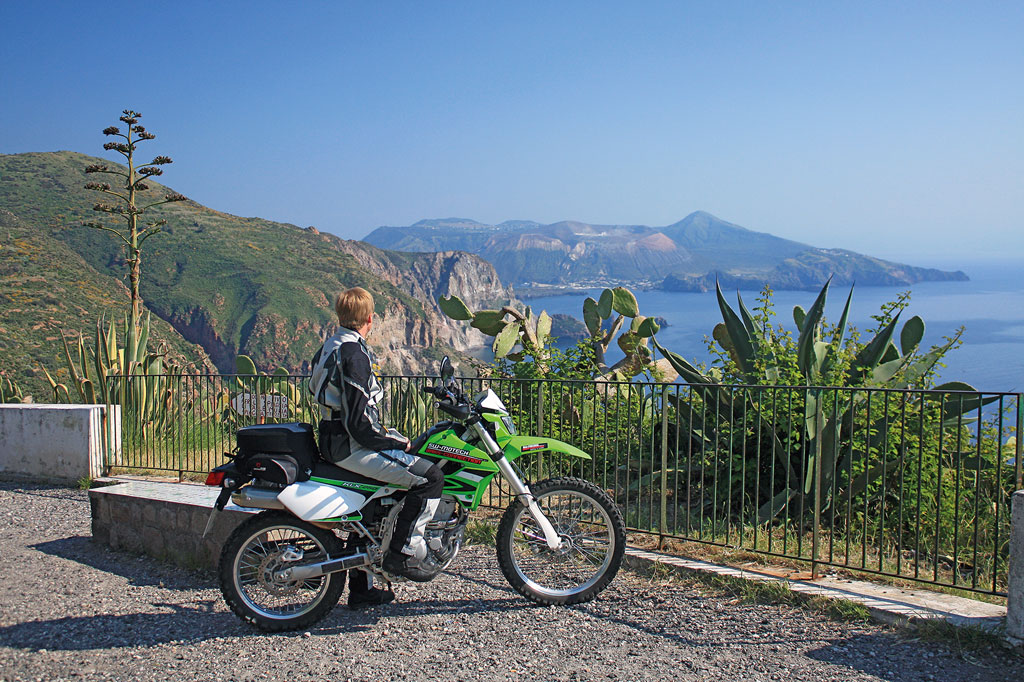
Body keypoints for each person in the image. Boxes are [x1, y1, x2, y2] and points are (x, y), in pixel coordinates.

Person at [308, 287, 445, 595]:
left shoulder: (330, 346)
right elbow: (359, 423)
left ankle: (362, 589)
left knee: (372, 507)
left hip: (332, 436)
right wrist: (394, 441)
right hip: (350, 445)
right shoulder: (354, 355)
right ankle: (402, 554)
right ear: (370, 319)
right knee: (430, 478)